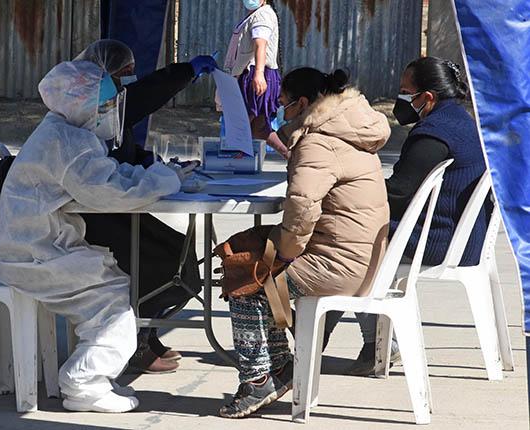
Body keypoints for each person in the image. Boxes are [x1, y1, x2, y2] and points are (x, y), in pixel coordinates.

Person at [0, 60, 186, 413]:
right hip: (33, 254)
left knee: (113, 288)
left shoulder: (63, 131)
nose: (111, 111)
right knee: (113, 305)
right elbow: (110, 193)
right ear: (81, 103)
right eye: (105, 104)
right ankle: (82, 384)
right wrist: (164, 179)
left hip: (34, 245)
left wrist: (152, 174)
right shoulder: (70, 143)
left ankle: (91, 378)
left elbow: (105, 175)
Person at [218, 67, 390, 418]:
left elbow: (302, 208)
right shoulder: (347, 126)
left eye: (282, 104)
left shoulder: (318, 141)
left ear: (303, 103)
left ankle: (260, 377)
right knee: (250, 253)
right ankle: (279, 367)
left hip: (339, 264)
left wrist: (280, 255)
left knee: (245, 278)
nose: (279, 110)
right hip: (360, 255)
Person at [338, 56, 491, 376]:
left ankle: (372, 344)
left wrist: (346, 194)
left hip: (438, 240)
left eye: (405, 91)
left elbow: (396, 194)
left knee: (346, 241)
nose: (400, 98)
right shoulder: (461, 121)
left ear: (428, 98)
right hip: (463, 236)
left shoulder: (433, 134)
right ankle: (350, 340)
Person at [74, 39, 219, 374]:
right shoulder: (85, 110)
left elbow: (123, 150)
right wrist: (187, 71)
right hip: (87, 217)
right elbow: (147, 93)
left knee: (180, 252)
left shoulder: (110, 107)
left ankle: (144, 330)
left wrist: (157, 165)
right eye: (124, 72)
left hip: (111, 207)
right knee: (163, 262)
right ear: (104, 74)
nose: (131, 78)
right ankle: (136, 340)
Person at [218, 0, 288, 157]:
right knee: (259, 127)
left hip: (256, 76)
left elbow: (260, 44)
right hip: (254, 74)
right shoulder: (255, 15)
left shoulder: (262, 15)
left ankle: (238, 155)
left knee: (245, 119)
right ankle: (290, 155)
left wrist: (258, 73)